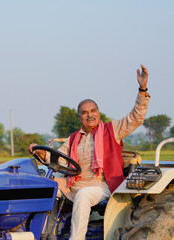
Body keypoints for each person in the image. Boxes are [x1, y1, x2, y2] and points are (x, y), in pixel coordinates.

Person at [28, 65, 150, 240]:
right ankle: (38, 233)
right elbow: (59, 160)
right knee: (42, 184)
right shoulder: (74, 138)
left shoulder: (112, 130)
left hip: (102, 186)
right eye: (84, 113)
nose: (89, 115)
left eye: (93, 111)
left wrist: (142, 89)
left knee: (84, 195)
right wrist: (40, 153)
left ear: (98, 113)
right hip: (73, 184)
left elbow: (136, 118)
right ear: (79, 118)